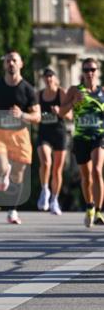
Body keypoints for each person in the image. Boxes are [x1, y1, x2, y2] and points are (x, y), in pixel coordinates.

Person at [0, 51, 40, 225]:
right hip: (0, 133)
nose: (11, 63)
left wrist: (22, 114)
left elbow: (37, 116)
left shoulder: (28, 89)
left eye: (14, 60)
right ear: (4, 65)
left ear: (21, 64)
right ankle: (3, 174)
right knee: (1, 168)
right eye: (8, 61)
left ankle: (13, 210)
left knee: (18, 175)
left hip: (20, 135)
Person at [57, 58, 104, 228]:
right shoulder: (75, 90)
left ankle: (99, 211)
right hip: (81, 138)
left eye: (92, 69)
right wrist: (72, 103)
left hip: (99, 136)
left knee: (97, 170)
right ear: (82, 73)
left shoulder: (102, 91)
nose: (90, 73)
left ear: (97, 71)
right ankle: (90, 206)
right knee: (86, 177)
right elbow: (61, 113)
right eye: (86, 70)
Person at [36, 67, 70, 215]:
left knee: (57, 170)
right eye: (46, 77)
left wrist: (60, 111)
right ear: (43, 79)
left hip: (59, 133)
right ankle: (45, 190)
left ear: (55, 79)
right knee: (45, 162)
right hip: (44, 133)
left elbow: (70, 116)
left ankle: (54, 200)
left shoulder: (61, 93)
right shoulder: (39, 95)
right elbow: (34, 114)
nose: (48, 79)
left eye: (51, 76)